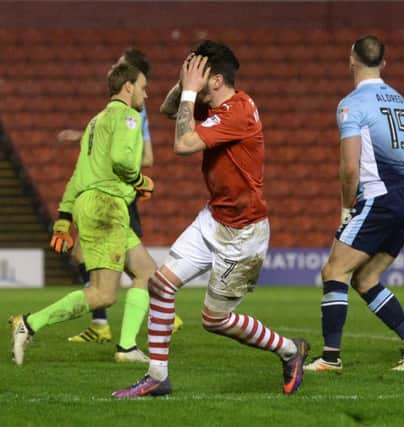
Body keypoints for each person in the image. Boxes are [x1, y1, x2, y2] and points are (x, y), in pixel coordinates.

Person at [112, 40, 309, 398]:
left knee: (213, 320)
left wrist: (191, 89)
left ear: (215, 80)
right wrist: (185, 84)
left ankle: (290, 350)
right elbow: (169, 109)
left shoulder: (238, 111)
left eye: (200, 72)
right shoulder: (213, 102)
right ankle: (158, 376)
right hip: (214, 218)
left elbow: (182, 144)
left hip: (243, 232)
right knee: (161, 284)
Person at [10, 62, 155, 365]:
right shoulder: (128, 117)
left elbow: (77, 175)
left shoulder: (95, 122)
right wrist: (140, 180)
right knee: (104, 295)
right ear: (128, 86)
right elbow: (121, 160)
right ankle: (29, 323)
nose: (146, 93)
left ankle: (127, 347)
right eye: (143, 86)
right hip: (107, 205)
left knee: (146, 271)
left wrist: (63, 219)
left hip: (92, 202)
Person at [304, 35, 404, 372]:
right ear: (384, 63)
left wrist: (348, 207)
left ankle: (330, 357)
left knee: (334, 270)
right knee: (365, 279)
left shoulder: (352, 104)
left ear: (351, 59)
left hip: (378, 197)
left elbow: (349, 167)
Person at [57, 48, 183, 344]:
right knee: (107, 260)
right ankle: (113, 327)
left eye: (119, 65)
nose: (113, 67)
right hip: (110, 193)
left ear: (130, 77)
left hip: (118, 196)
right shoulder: (115, 113)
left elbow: (145, 157)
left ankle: (149, 322)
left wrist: (131, 177)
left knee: (132, 267)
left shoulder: (135, 113)